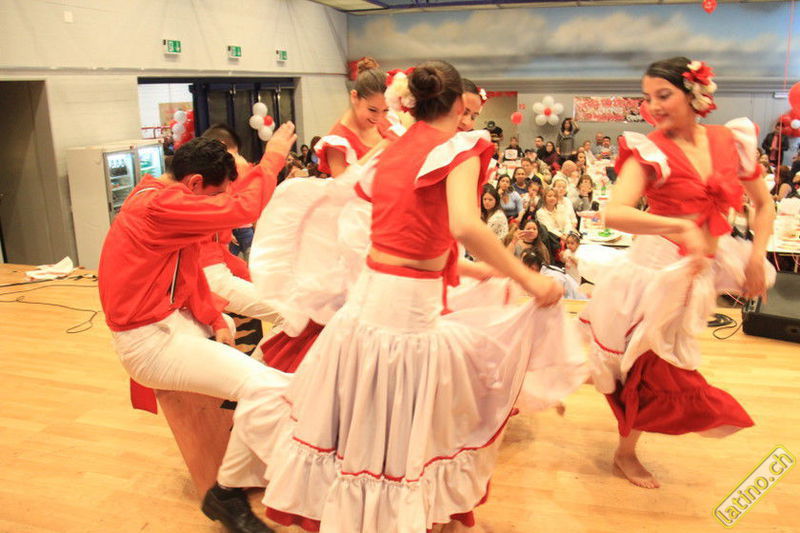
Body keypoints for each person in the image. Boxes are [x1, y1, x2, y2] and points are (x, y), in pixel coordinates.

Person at [231, 59, 587, 533]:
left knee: (367, 425)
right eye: (469, 111)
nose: (471, 120)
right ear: (457, 104)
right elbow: (464, 225)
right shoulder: (459, 147)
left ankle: (367, 518)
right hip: (405, 315)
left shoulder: (392, 149)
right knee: (402, 426)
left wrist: (476, 271)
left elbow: (406, 236)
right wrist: (528, 279)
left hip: (367, 308)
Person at [578, 57, 775, 489]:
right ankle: (624, 454)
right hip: (653, 272)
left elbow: (764, 204)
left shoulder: (729, 141)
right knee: (648, 369)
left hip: (694, 273)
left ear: (694, 94)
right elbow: (616, 212)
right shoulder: (649, 150)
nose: (653, 106)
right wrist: (680, 226)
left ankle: (624, 448)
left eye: (663, 95)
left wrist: (757, 255)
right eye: (648, 97)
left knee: (655, 366)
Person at [98, 127, 297, 533]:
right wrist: (273, 156)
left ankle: (239, 480)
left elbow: (189, 269)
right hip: (151, 340)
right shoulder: (158, 206)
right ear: (193, 183)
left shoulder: (159, 198)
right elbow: (242, 209)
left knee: (269, 384)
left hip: (169, 326)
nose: (219, 202)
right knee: (272, 389)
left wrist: (213, 318)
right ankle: (228, 491)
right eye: (215, 194)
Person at [315, 58, 389, 177]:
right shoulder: (338, 143)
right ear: (354, 97)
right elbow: (342, 184)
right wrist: (381, 147)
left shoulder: (387, 123)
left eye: (386, 110)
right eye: (372, 110)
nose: (379, 117)